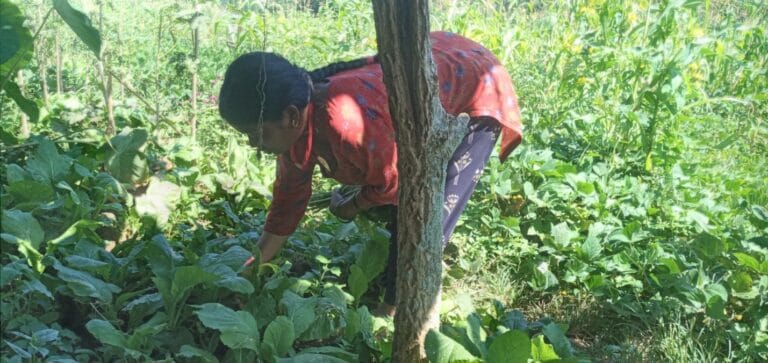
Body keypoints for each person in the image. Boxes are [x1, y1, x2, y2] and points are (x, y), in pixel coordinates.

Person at [218, 31, 522, 315]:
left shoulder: (345, 124)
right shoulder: (295, 130)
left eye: (257, 134)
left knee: (427, 219)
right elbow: (286, 206)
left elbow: (402, 185)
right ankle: (395, 289)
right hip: (435, 67)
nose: (253, 144)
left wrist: (350, 206)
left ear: (291, 116)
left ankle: (394, 315)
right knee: (405, 216)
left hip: (472, 82)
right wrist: (248, 270)